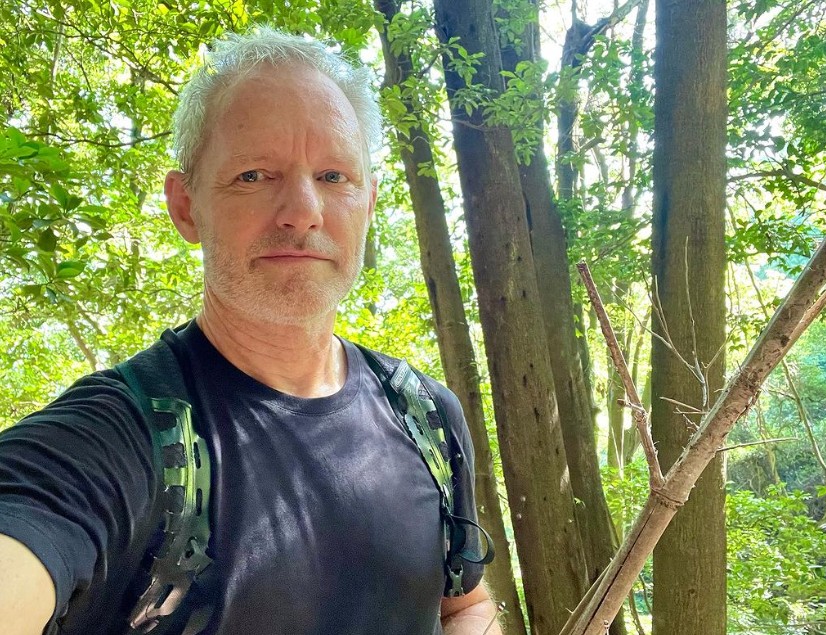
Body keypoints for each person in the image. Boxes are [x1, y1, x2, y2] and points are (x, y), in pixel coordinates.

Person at [0, 27, 501, 635]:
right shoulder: (117, 439)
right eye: (255, 175)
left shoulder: (426, 416)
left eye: (333, 176)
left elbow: (464, 603)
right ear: (185, 206)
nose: (303, 211)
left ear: (369, 203)